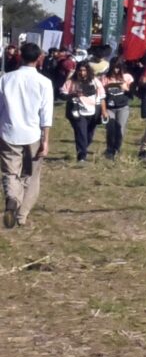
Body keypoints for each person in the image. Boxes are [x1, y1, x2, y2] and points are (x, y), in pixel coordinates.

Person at [1, 43, 54, 228]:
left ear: (20, 56)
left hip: (9, 131)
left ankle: (12, 197)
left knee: (10, 172)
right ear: (39, 58)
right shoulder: (44, 82)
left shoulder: (6, 79)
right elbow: (46, 115)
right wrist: (45, 141)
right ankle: (22, 215)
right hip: (33, 134)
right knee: (32, 176)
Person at [64, 64, 102, 162]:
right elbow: (63, 93)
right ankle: (81, 157)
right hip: (77, 111)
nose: (82, 72)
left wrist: (103, 111)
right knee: (81, 133)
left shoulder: (95, 81)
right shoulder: (72, 82)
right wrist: (73, 94)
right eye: (80, 70)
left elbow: (102, 95)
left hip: (93, 111)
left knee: (89, 135)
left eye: (84, 70)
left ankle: (83, 147)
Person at [98, 60, 132, 161]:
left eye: (118, 68)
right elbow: (101, 93)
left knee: (120, 128)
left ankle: (117, 148)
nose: (116, 70)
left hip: (123, 107)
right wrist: (111, 85)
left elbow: (132, 92)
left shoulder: (127, 77)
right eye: (114, 67)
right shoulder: (104, 78)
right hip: (109, 107)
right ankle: (109, 149)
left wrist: (126, 88)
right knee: (110, 128)